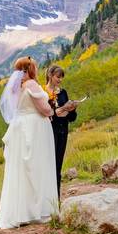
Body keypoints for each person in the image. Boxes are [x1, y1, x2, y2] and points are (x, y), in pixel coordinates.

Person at [0, 57, 58, 229]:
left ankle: (21, 210)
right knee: (37, 166)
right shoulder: (31, 85)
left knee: (22, 169)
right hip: (34, 128)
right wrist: (54, 109)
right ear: (30, 69)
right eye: (35, 67)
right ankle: (38, 210)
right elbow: (44, 110)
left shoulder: (16, 87)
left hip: (20, 128)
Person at [46, 65, 77, 197]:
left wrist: (72, 109)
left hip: (62, 132)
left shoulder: (63, 93)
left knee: (58, 164)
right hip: (48, 132)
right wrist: (55, 112)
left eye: (61, 78)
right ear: (50, 75)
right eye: (58, 77)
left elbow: (72, 118)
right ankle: (47, 197)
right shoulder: (43, 92)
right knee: (48, 165)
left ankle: (56, 198)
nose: (60, 80)